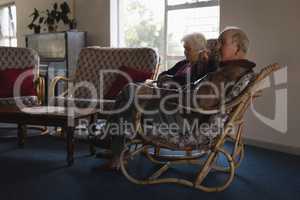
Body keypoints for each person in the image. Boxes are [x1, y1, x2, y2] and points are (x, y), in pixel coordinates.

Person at [93, 27, 255, 170]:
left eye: (222, 42)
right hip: (185, 112)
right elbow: (196, 93)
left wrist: (164, 95)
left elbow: (199, 102)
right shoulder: (232, 70)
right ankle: (116, 147)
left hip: (186, 118)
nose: (217, 46)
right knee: (131, 91)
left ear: (237, 48)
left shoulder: (228, 73)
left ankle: (116, 150)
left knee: (130, 96)